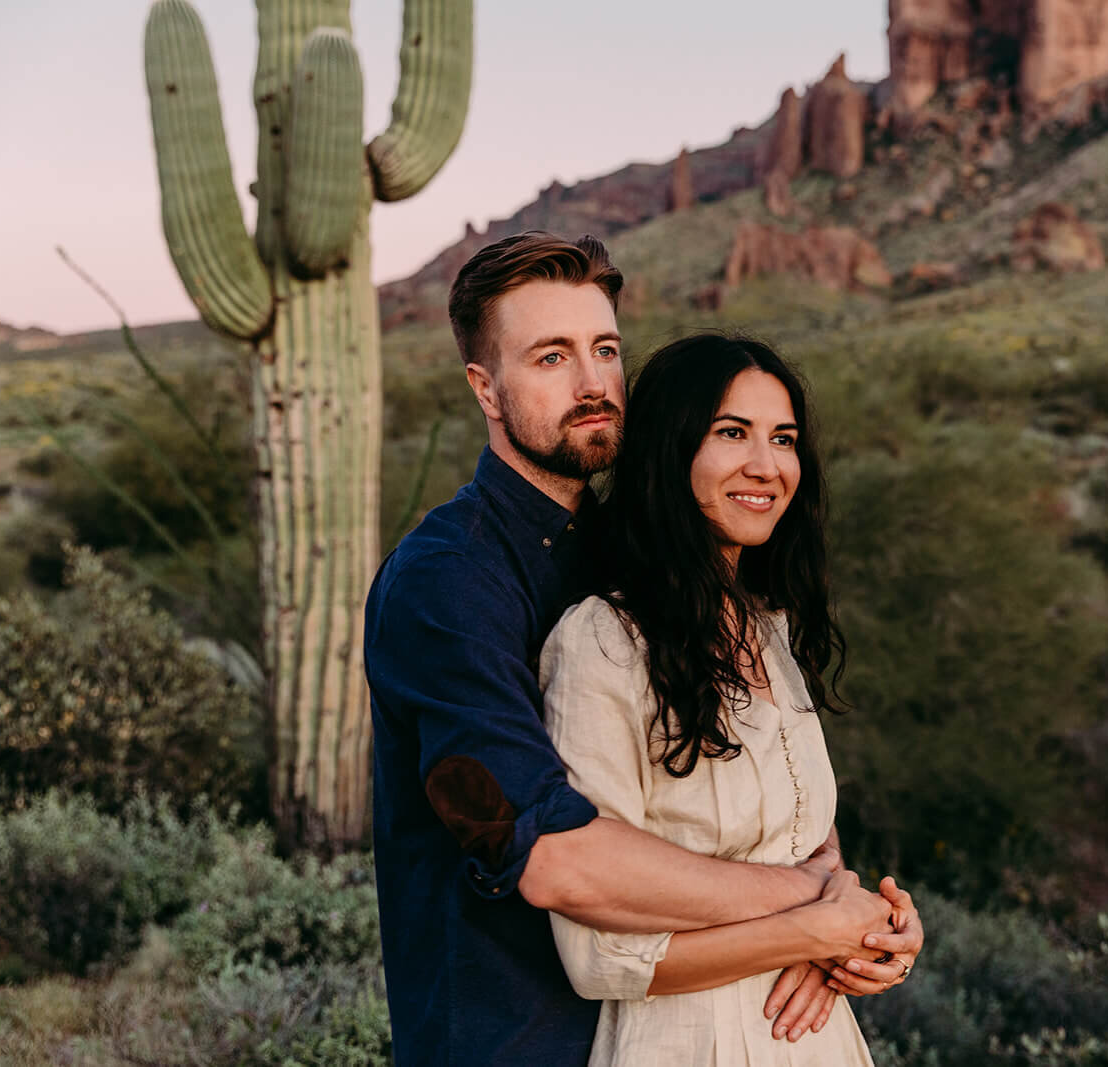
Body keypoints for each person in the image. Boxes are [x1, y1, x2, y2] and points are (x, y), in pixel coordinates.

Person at [363, 233, 916, 1066]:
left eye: (606, 350)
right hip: (515, 1039)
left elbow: (756, 817)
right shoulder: (449, 585)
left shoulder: (652, 570)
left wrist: (855, 924)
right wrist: (807, 906)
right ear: (485, 386)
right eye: (551, 357)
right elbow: (555, 859)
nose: (592, 384)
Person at [539, 333, 920, 1064]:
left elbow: (806, 845)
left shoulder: (769, 631)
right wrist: (813, 928)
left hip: (821, 1044)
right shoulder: (604, 643)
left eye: (783, 438)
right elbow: (595, 956)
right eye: (731, 433)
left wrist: (880, 933)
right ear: (670, 449)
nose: (766, 465)